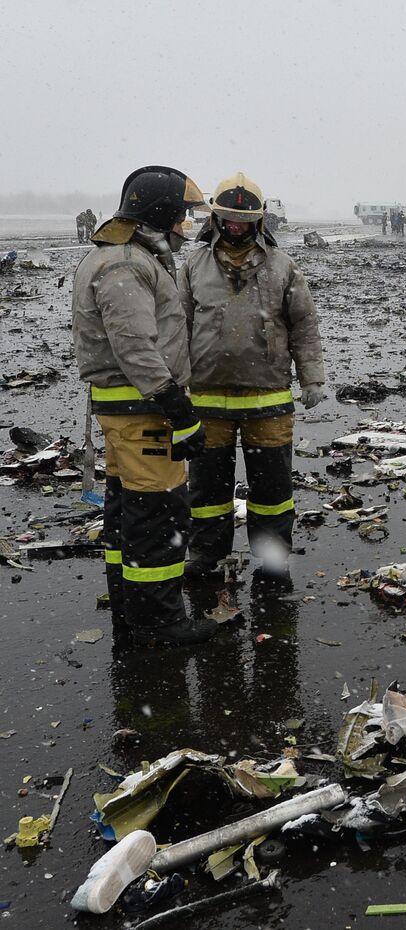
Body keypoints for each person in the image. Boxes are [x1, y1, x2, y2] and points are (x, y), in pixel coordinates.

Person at [72, 166, 213, 645]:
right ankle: (159, 622)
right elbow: (134, 343)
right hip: (142, 415)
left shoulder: (122, 256)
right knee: (157, 514)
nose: (185, 227)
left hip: (124, 413)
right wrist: (177, 406)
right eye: (181, 217)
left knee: (125, 513)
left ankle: (130, 614)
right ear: (160, 214)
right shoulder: (128, 264)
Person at [178, 172, 326, 586]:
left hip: (269, 401)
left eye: (245, 220)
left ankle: (272, 561)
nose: (237, 227)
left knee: (273, 494)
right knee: (207, 493)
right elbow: (177, 327)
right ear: (217, 220)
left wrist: (312, 377)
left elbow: (303, 325)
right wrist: (172, 387)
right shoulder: (193, 267)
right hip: (207, 399)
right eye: (229, 219)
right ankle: (207, 557)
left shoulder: (283, 266)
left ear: (259, 222)